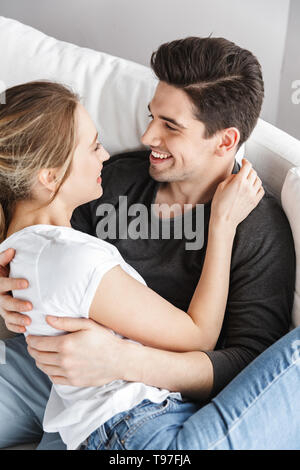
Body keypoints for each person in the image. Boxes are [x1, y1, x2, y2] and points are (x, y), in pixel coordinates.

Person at [0, 37, 297, 450]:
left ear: (225, 141)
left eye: (170, 126)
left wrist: (124, 361)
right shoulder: (116, 179)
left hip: (135, 395)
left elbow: (248, 366)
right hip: (50, 366)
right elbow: (42, 237)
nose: (146, 135)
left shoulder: (257, 229)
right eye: (151, 116)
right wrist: (9, 282)